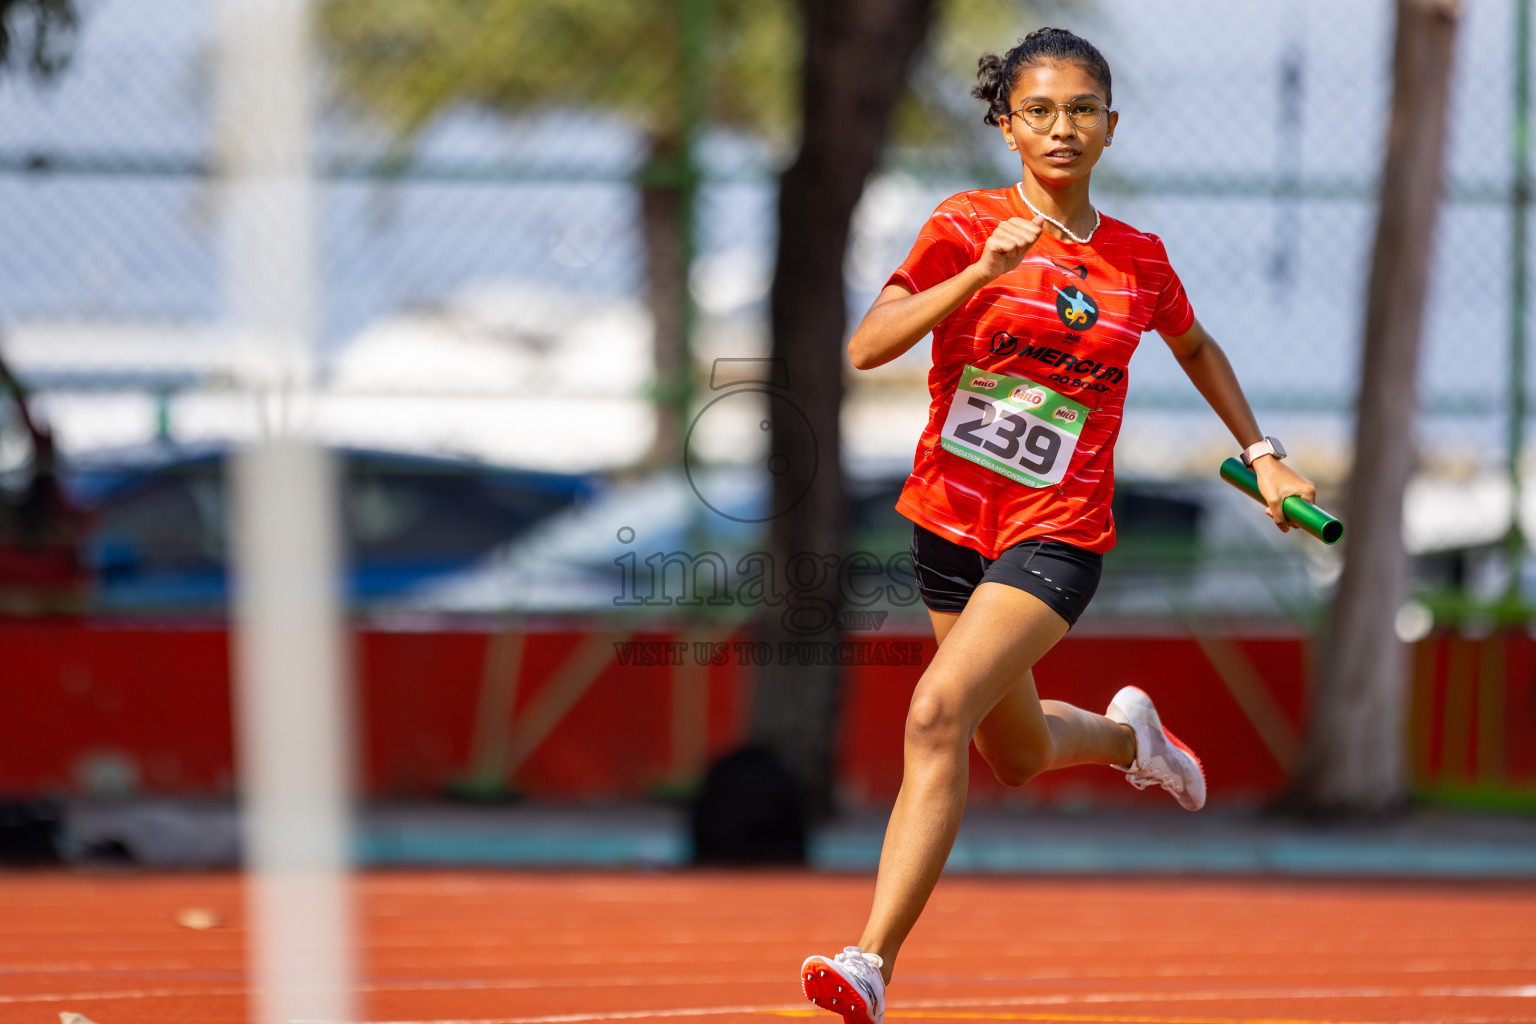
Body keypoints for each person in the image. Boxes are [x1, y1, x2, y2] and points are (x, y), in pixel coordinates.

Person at [798, 27, 1317, 1024]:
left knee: (935, 712)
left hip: (1059, 531)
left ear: (1111, 128)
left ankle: (869, 962)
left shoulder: (1138, 261)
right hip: (949, 526)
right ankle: (1132, 742)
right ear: (1007, 125)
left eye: (1082, 110)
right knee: (1018, 752)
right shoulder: (963, 224)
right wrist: (978, 274)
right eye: (1039, 110)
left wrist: (1262, 454)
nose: (1062, 127)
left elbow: (1197, 345)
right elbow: (868, 345)